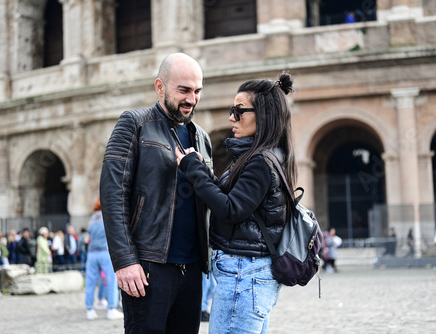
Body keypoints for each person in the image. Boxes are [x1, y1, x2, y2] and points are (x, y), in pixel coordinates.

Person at [100, 52, 212, 334]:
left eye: (197, 91)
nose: (192, 99)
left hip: (192, 267)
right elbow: (113, 194)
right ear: (160, 87)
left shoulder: (202, 136)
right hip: (149, 266)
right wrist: (125, 261)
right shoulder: (134, 124)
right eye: (184, 90)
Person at [176, 72, 296, 333]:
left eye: (239, 111)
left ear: (263, 115)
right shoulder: (263, 155)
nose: (232, 117)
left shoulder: (260, 161)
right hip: (249, 273)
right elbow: (231, 199)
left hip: (244, 273)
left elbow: (231, 210)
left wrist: (192, 168)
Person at [85, 200, 123, 321]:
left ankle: (90, 310)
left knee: (90, 283)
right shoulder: (107, 217)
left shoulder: (91, 220)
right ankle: (111, 309)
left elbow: (88, 238)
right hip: (105, 252)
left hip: (92, 253)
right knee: (111, 281)